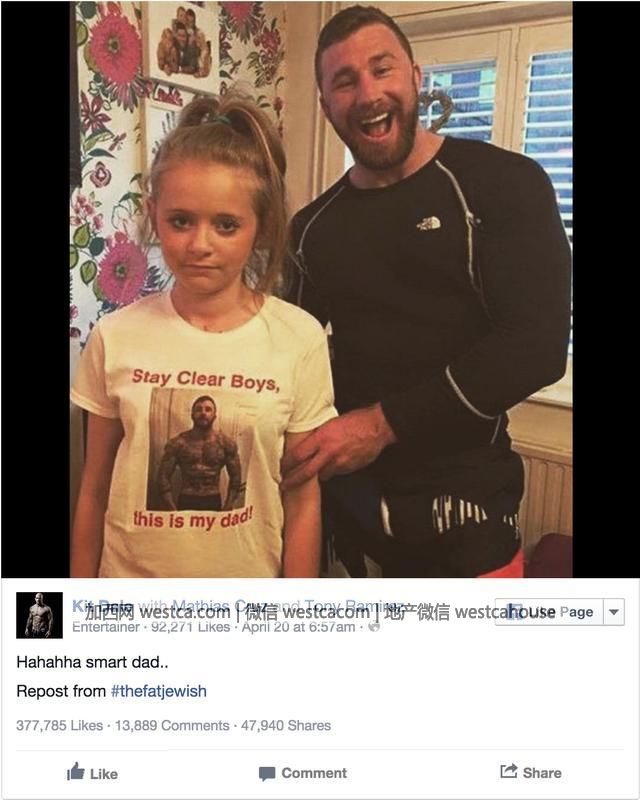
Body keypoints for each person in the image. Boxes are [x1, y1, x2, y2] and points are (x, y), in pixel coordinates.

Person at [283, 5, 572, 578]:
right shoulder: (312, 228)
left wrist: (378, 426)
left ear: (416, 77)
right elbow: (286, 354)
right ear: (325, 104)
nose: (368, 94)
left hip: (470, 519)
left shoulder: (504, 183)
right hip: (348, 519)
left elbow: (536, 346)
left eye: (382, 69)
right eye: (345, 81)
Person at [71, 91, 336, 578]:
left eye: (226, 225)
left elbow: (301, 502)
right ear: (154, 215)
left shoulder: (299, 339)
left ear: (261, 226)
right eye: (180, 221)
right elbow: (94, 490)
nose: (199, 244)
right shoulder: (114, 337)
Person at [157, 395, 242, 512]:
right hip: (186, 499)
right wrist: (171, 508)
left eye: (208, 409)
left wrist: (228, 505)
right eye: (198, 409)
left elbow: (236, 478)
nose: (203, 413)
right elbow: (163, 477)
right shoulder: (178, 443)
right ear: (192, 415)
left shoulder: (225, 444)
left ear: (214, 415)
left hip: (213, 499)